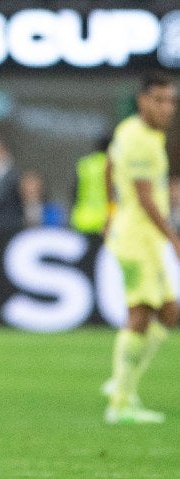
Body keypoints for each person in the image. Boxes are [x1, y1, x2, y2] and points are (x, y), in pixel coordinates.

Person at [101, 72, 179, 424]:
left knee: (168, 312)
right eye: (160, 100)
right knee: (140, 312)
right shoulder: (140, 140)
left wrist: (110, 209)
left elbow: (108, 165)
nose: (168, 108)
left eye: (171, 101)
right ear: (142, 100)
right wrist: (174, 238)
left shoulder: (134, 131)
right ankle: (120, 400)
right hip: (136, 237)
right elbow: (146, 198)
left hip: (141, 235)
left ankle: (122, 381)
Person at [70, 136, 112, 234]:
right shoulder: (111, 165)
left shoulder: (85, 164)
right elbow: (114, 196)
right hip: (103, 220)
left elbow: (74, 191)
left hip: (82, 219)